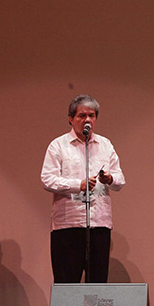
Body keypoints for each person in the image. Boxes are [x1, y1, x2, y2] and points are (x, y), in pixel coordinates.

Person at [41, 95, 125, 283]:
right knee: (67, 284)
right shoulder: (58, 145)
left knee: (97, 286)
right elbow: (47, 179)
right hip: (68, 224)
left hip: (99, 224)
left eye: (92, 115)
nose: (87, 120)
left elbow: (120, 180)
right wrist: (78, 185)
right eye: (81, 116)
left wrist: (109, 178)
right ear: (71, 118)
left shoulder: (105, 145)